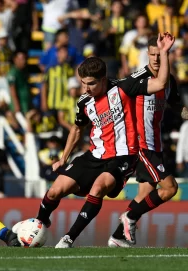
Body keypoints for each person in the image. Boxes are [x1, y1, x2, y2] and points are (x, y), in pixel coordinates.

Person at [34, 33, 175, 248]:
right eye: (83, 83)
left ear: (103, 79)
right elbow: (76, 128)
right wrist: (64, 158)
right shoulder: (84, 102)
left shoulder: (124, 88)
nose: (86, 89)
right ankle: (38, 224)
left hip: (122, 157)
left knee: (98, 187)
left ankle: (68, 239)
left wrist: (164, 53)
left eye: (90, 84)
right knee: (55, 190)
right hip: (94, 155)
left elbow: (161, 82)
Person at [108, 35, 181, 247]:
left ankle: (118, 236)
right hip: (141, 144)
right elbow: (115, 94)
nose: (157, 59)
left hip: (155, 144)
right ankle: (129, 218)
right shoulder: (139, 79)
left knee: (145, 193)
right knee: (170, 188)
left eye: (160, 54)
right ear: (147, 55)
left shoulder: (169, 81)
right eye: (153, 55)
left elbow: (177, 107)